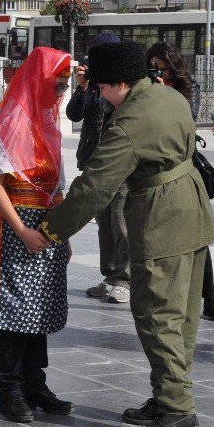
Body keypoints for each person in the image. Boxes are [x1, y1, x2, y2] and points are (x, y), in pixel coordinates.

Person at [39, 41, 214, 427]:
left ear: (120, 82)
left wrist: (51, 229)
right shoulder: (168, 96)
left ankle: (177, 409)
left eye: (102, 87)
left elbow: (94, 187)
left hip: (164, 217)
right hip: (192, 210)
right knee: (183, 314)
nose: (100, 95)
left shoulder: (131, 121)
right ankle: (166, 393)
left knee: (158, 314)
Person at [0, 47, 75, 423]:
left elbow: (59, 187)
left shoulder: (48, 125)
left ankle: (36, 384)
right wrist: (21, 230)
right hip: (21, 225)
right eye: (56, 86)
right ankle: (11, 390)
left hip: (48, 228)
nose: (60, 95)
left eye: (64, 87)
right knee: (17, 308)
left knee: (40, 308)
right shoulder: (10, 124)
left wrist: (62, 234)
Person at [146, 41, 214, 324]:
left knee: (198, 238)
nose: (162, 75)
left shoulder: (188, 87)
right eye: (157, 69)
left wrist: (160, 91)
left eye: (166, 70)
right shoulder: (143, 88)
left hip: (185, 168)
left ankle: (209, 298)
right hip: (151, 170)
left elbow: (186, 120)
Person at [66, 32, 130, 304]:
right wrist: (82, 87)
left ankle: (125, 279)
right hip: (94, 161)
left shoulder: (123, 82)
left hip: (120, 163)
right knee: (104, 223)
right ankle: (110, 275)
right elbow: (73, 114)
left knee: (120, 220)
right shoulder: (92, 85)